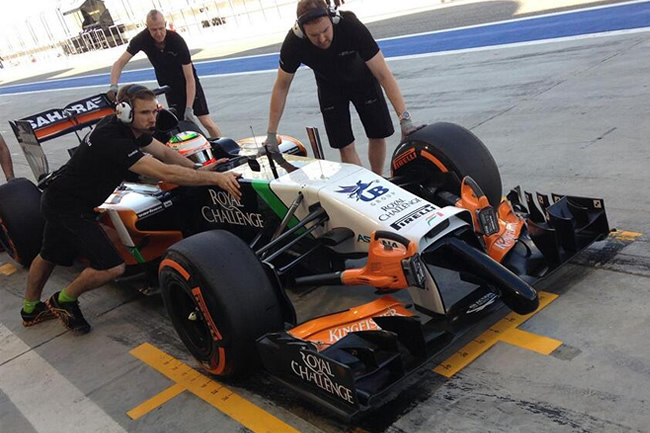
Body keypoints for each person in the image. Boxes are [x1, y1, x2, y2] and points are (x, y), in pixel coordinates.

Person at [21, 84, 241, 333]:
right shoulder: (111, 139)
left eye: (154, 111)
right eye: (145, 113)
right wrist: (215, 179)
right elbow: (163, 171)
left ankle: (30, 310)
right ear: (124, 111)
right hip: (69, 207)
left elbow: (165, 154)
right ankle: (63, 301)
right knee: (111, 267)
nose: (152, 118)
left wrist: (199, 170)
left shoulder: (127, 128)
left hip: (62, 197)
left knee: (49, 254)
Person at [264, 0, 423, 175]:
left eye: (325, 30)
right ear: (301, 31)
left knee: (377, 135)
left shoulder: (351, 27)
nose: (322, 39)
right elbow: (281, 86)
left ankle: (377, 177)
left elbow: (384, 74)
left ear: (333, 19)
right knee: (344, 145)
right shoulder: (294, 43)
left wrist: (405, 119)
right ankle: (361, 183)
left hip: (363, 81)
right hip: (330, 88)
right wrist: (271, 134)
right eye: (314, 35)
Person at [109, 10, 222, 138]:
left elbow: (190, 78)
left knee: (206, 122)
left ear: (165, 25)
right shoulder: (141, 39)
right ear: (147, 28)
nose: (158, 33)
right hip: (169, 86)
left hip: (188, 83)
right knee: (179, 124)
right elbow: (119, 63)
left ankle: (221, 146)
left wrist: (189, 108)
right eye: (153, 30)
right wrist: (113, 86)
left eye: (161, 28)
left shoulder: (176, 41)